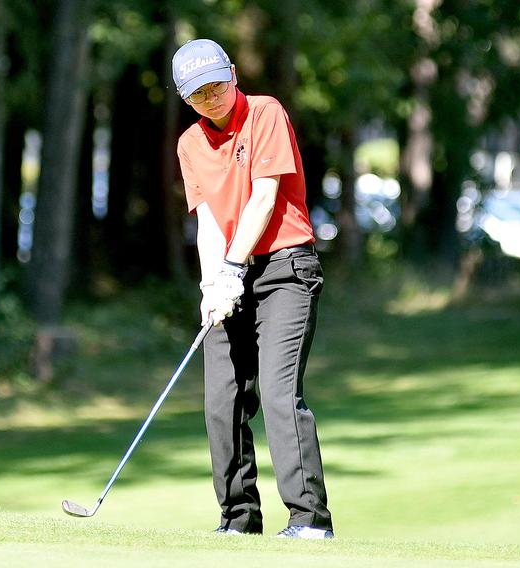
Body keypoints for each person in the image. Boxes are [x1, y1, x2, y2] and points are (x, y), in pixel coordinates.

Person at [171, 38, 334, 539]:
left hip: (287, 269)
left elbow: (264, 198)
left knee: (279, 392)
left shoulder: (265, 113)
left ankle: (309, 521)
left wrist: (232, 269)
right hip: (229, 272)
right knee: (222, 401)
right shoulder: (190, 145)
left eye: (218, 84)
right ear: (186, 99)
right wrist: (210, 286)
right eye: (199, 94)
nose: (211, 97)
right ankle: (239, 520)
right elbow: (208, 225)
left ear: (234, 74)